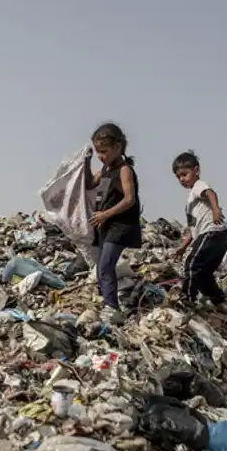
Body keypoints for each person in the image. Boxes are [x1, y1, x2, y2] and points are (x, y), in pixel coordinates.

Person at [84, 122, 142, 324]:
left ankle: (112, 307)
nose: (101, 156)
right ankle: (108, 303)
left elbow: (129, 199)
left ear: (117, 147)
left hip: (121, 224)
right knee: (101, 267)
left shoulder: (124, 170)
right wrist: (85, 161)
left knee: (106, 265)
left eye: (104, 151)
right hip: (106, 226)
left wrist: (105, 214)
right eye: (98, 152)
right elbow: (90, 183)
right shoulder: (106, 169)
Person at [170, 151, 227, 307]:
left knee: (191, 265)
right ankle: (219, 301)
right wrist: (183, 247)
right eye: (178, 177)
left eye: (184, 174)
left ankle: (187, 298)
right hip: (217, 237)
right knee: (203, 273)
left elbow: (210, 193)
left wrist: (216, 209)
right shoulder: (191, 200)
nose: (182, 179)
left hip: (211, 233)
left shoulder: (198, 186)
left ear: (196, 170)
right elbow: (193, 229)